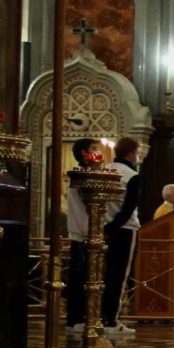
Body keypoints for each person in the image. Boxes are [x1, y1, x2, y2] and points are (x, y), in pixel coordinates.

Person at [101, 136, 144, 334]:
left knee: (105, 275)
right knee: (119, 276)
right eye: (137, 152)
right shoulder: (132, 175)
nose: (137, 156)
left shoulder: (104, 170)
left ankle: (101, 317)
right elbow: (129, 208)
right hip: (124, 229)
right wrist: (114, 226)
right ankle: (111, 320)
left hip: (103, 228)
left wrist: (105, 227)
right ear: (130, 153)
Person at [64, 138, 98, 333]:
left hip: (87, 232)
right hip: (80, 233)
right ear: (84, 153)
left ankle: (84, 316)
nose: (96, 153)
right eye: (93, 149)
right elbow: (89, 203)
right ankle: (74, 319)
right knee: (78, 278)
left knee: (87, 278)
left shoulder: (88, 174)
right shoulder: (80, 175)